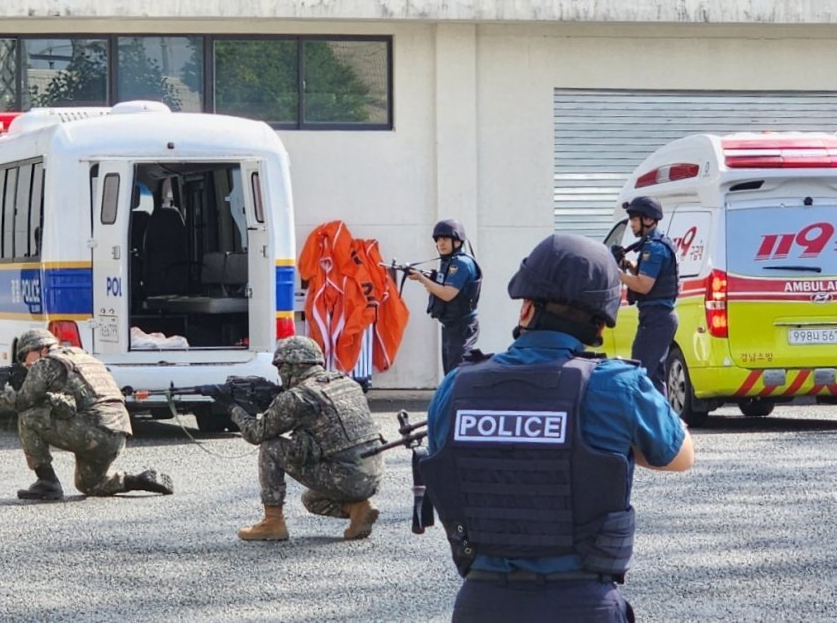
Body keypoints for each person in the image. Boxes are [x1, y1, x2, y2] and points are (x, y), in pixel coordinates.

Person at [417, 233, 694, 622]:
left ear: (526, 309)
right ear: (600, 326)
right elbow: (680, 456)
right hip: (582, 603)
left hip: (482, 603)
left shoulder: (456, 386)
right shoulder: (616, 384)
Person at [227, 335, 385, 542]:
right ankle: (359, 508)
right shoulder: (346, 382)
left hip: (346, 478)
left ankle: (272, 522)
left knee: (271, 447)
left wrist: (232, 408)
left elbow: (256, 433)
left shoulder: (297, 397)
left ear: (289, 368)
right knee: (312, 500)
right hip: (372, 476)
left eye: (281, 368)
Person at [10, 328, 173, 500]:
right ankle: (136, 480)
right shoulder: (84, 357)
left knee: (28, 415)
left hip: (92, 430)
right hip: (119, 432)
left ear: (41, 349)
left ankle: (47, 483)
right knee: (88, 484)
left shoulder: (45, 364)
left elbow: (21, 401)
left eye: (24, 356)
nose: (24, 363)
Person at [617, 196, 679, 396]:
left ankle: (651, 422)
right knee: (653, 377)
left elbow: (644, 285)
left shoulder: (654, 248)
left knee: (641, 373)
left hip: (656, 318)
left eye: (635, 220)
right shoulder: (653, 244)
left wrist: (616, 273)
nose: (632, 224)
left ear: (649, 220)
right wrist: (627, 264)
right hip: (657, 318)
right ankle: (662, 422)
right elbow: (646, 273)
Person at [408, 219, 482, 375]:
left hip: (461, 326)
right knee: (450, 374)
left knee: (457, 374)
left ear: (457, 241)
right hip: (450, 326)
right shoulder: (448, 262)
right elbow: (437, 292)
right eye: (438, 240)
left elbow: (447, 294)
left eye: (445, 239)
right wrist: (424, 279)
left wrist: (422, 279)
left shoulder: (460, 264)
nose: (441, 243)